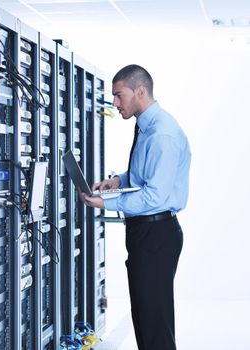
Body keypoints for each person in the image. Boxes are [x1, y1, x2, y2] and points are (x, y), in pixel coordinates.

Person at [79, 64, 191, 350]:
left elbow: (154, 196)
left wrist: (106, 202)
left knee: (154, 323)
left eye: (119, 95)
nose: (115, 102)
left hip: (156, 234)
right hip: (147, 234)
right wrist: (115, 182)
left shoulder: (161, 135)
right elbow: (143, 176)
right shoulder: (148, 126)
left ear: (140, 91)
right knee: (145, 317)